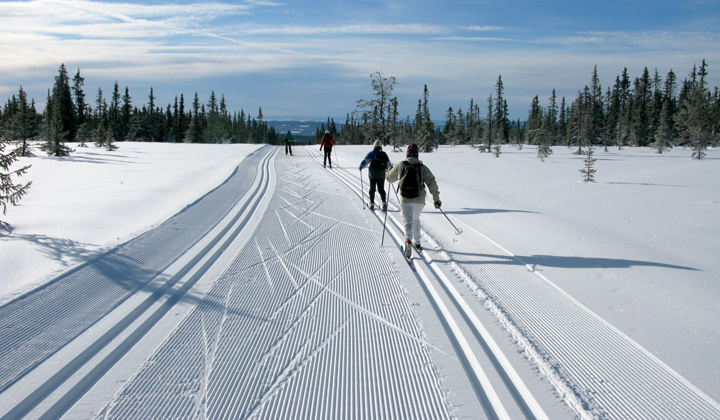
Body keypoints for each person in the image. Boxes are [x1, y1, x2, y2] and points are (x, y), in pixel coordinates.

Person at [386, 143, 441, 258]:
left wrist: (389, 170)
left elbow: (389, 179)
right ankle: (417, 242)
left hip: (405, 199)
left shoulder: (401, 165)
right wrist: (436, 199)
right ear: (417, 154)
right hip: (419, 200)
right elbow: (432, 182)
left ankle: (408, 242)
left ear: (407, 154)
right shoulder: (422, 167)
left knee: (407, 221)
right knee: (415, 219)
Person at [359, 139, 392, 211]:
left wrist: (361, 167)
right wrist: (390, 170)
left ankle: (372, 203)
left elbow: (365, 161)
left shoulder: (371, 153)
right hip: (381, 174)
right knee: (381, 189)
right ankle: (384, 203)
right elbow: (389, 164)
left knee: (372, 189)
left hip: (373, 174)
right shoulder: (384, 154)